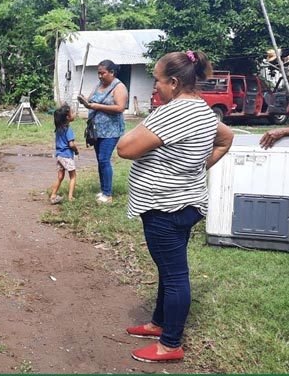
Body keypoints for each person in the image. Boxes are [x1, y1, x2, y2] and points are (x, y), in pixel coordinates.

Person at [117, 51, 234, 363]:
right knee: (168, 270)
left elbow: (124, 148)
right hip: (186, 203)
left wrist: (150, 120)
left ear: (173, 82)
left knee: (175, 275)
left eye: (157, 80)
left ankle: (170, 345)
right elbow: (225, 138)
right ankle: (159, 323)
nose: (155, 86)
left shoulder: (173, 112)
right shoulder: (203, 110)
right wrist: (195, 170)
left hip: (164, 208)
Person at [77, 59, 128, 204]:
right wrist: (84, 101)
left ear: (112, 72)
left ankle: (107, 194)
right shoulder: (98, 85)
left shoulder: (119, 87)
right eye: (98, 73)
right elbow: (90, 102)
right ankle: (103, 189)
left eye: (102, 73)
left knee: (104, 159)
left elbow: (120, 108)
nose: (100, 76)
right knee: (100, 160)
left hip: (111, 131)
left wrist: (97, 106)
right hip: (96, 130)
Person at [49, 105, 79, 205]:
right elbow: (71, 144)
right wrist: (76, 151)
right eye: (72, 112)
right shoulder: (68, 129)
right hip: (66, 156)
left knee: (60, 177)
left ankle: (53, 196)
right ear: (67, 117)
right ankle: (70, 197)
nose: (74, 114)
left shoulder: (58, 129)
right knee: (73, 176)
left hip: (59, 156)